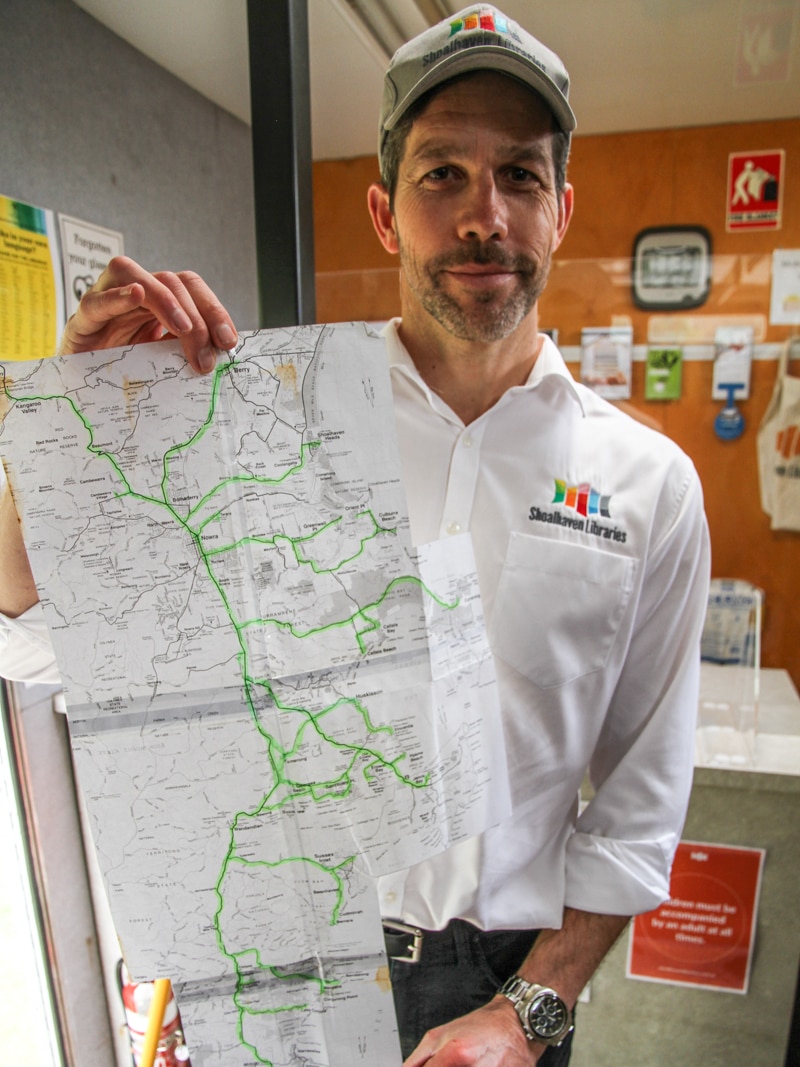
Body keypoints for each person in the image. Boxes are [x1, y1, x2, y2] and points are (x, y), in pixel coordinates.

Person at [0, 6, 710, 1065]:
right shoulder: (253, 420)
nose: (484, 216)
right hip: (280, 962)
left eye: (517, 175)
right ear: (382, 213)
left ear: (560, 209)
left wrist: (532, 1011)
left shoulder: (646, 484)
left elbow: (638, 807)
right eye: (440, 175)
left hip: (502, 985)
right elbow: (22, 595)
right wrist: (73, 426)